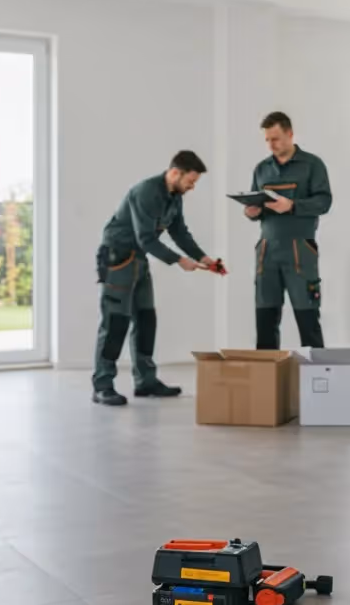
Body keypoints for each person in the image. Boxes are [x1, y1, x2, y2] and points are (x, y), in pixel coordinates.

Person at [91, 151, 216, 407]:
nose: (192, 187)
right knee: (116, 323)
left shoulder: (174, 197)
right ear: (174, 173)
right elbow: (146, 238)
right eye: (190, 181)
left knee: (146, 320)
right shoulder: (146, 192)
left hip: (138, 259)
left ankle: (145, 381)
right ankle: (102, 385)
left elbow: (180, 232)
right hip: (118, 257)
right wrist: (179, 261)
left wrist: (204, 259)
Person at [244, 111, 332, 349]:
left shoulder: (312, 165)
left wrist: (292, 205)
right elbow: (256, 203)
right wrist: (252, 212)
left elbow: (324, 202)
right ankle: (267, 383)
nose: (271, 144)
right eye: (267, 140)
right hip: (267, 251)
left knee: (308, 319)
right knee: (265, 321)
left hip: (300, 251)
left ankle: (316, 383)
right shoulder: (262, 169)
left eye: (276, 138)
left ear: (290, 134)